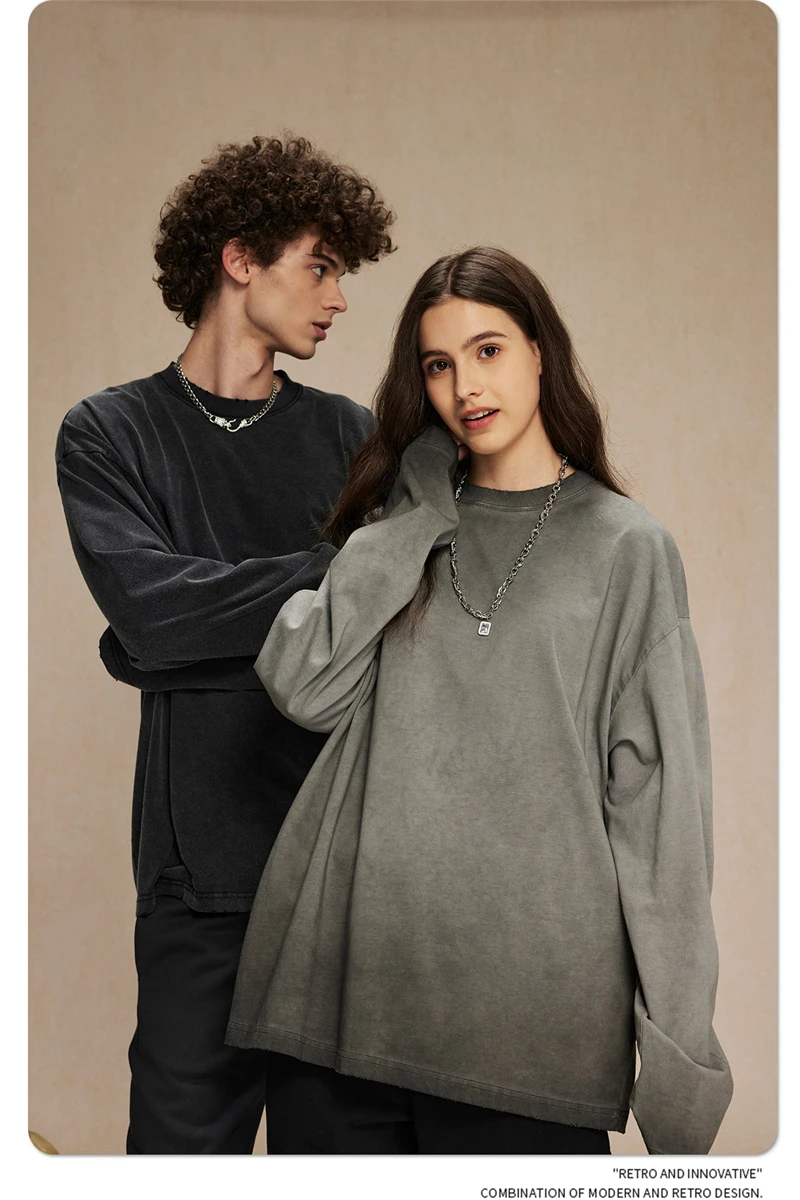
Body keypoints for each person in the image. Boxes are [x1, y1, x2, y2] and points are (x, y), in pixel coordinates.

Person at [226, 246, 734, 1155]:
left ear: (540, 351)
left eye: (488, 350)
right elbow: (303, 686)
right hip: (338, 1008)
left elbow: (663, 825)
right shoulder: (401, 529)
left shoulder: (627, 550)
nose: (466, 386)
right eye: (438, 364)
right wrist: (420, 500)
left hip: (528, 1034)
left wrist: (681, 1073)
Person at [55, 134, 395, 1154]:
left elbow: (386, 622)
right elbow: (151, 614)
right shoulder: (109, 432)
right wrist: (325, 572)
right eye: (319, 267)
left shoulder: (350, 437)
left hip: (337, 877)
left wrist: (160, 641)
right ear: (239, 259)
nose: (339, 298)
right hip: (195, 886)